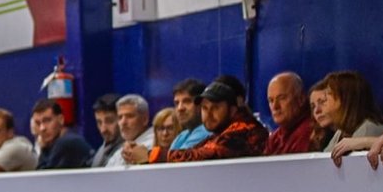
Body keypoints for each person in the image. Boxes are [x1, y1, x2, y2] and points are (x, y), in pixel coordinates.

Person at [138, 75, 269, 162]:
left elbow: (203, 155)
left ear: (233, 109)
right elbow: (194, 150)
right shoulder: (218, 133)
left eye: (216, 108)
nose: (209, 114)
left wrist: (152, 155)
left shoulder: (242, 129)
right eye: (205, 108)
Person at [310, 70, 383, 152]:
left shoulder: (368, 129)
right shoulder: (341, 132)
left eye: (329, 93)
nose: (325, 99)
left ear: (345, 99)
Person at [263, 71, 315, 155]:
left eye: (282, 98)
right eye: (271, 100)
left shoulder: (309, 133)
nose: (275, 106)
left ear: (301, 99)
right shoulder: (274, 138)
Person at [107, 94, 154, 168]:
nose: (123, 122)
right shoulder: (119, 151)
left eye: (129, 116)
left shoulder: (154, 143)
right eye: (120, 117)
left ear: (145, 119)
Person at [168, 78, 212, 150]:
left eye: (187, 101)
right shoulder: (182, 135)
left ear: (202, 104)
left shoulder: (208, 132)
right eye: (176, 103)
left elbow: (177, 159)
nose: (180, 108)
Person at [89, 94, 123, 168]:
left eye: (110, 121)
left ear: (121, 120)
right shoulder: (102, 149)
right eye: (99, 122)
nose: (103, 129)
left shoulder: (131, 150)